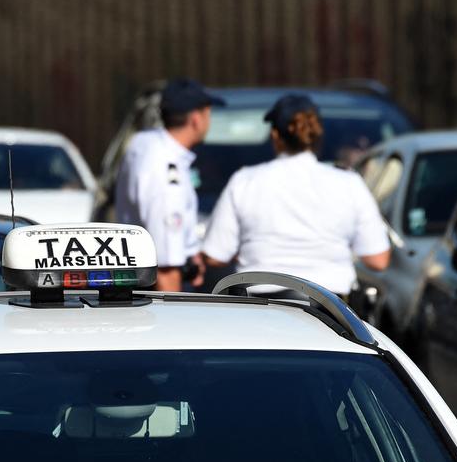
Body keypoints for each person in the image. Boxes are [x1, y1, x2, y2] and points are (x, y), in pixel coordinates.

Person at [201, 94, 390, 298]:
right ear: (317, 135)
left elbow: (214, 255)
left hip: (257, 311)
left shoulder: (245, 181)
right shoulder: (349, 183)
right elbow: (378, 259)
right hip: (331, 311)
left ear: (275, 135)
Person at [115, 78, 226, 291]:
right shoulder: (165, 172)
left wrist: (191, 251)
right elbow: (166, 268)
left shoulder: (144, 144)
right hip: (161, 296)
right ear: (196, 119)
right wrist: (176, 321)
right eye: (208, 113)